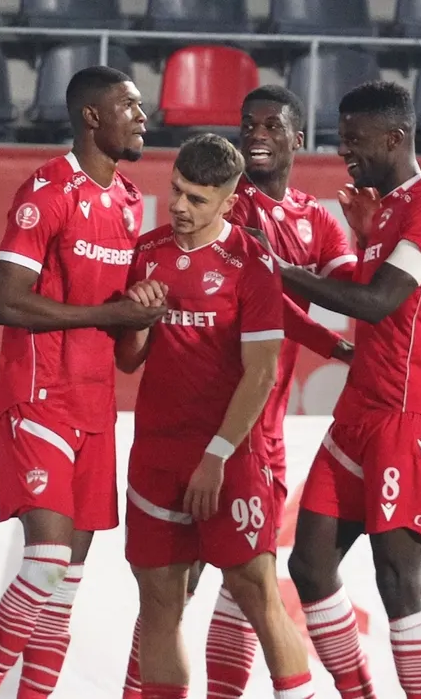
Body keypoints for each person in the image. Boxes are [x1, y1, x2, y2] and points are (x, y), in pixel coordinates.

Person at [119, 87, 356, 699]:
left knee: (253, 588)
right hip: (159, 454)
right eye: (176, 192)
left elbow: (269, 362)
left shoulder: (266, 252)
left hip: (240, 446)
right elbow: (128, 358)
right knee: (161, 600)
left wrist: (217, 454)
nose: (180, 207)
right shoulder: (148, 252)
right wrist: (136, 317)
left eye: (196, 199)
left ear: (228, 200)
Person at [272, 81, 421, 699]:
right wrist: (366, 239)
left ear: (395, 138)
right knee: (309, 566)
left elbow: (376, 301)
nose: (344, 152)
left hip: (411, 412)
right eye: (342, 139)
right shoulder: (387, 208)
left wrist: (280, 271)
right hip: (363, 408)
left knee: (397, 579)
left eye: (355, 140)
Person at [0, 66, 164, 699]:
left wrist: (145, 316)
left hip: (96, 409)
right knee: (47, 561)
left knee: (65, 587)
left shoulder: (130, 201)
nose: (143, 116)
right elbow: (5, 301)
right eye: (129, 106)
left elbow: (127, 354)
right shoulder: (47, 191)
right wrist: (107, 314)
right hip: (39, 398)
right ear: (91, 116)